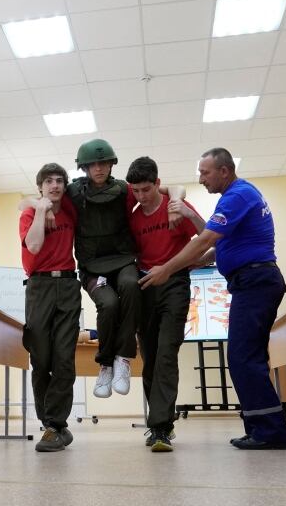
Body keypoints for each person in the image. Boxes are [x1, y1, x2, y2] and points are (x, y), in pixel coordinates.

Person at [141, 147, 286, 450]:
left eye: (204, 172)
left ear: (224, 171)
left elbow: (207, 238)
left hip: (256, 281)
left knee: (243, 357)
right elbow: (218, 246)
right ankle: (261, 427)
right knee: (246, 357)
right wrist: (198, 260)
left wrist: (167, 269)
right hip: (250, 281)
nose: (201, 178)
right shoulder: (234, 197)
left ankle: (270, 432)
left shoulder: (238, 195)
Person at [58, 139, 184, 400]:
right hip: (92, 267)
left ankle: (123, 359)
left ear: (111, 164)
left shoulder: (126, 191)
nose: (99, 168)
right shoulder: (73, 192)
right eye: (93, 164)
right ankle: (105, 365)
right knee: (109, 304)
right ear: (84, 167)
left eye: (103, 163)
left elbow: (174, 188)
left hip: (123, 260)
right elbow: (33, 199)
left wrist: (176, 203)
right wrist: (39, 208)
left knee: (130, 286)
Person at [125, 157, 205, 452]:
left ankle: (160, 428)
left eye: (146, 189)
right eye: (136, 191)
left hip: (174, 283)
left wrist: (184, 209)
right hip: (145, 287)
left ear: (158, 184)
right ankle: (158, 422)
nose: (141, 196)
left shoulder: (175, 206)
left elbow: (207, 235)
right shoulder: (133, 218)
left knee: (167, 353)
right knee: (151, 357)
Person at [19, 163, 81, 452]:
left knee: (64, 359)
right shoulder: (31, 213)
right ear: (40, 186)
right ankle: (50, 425)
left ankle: (56, 425)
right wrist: (41, 210)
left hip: (68, 286)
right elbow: (32, 246)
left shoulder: (70, 206)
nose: (55, 185)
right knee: (40, 360)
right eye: (48, 181)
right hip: (39, 287)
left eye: (59, 180)